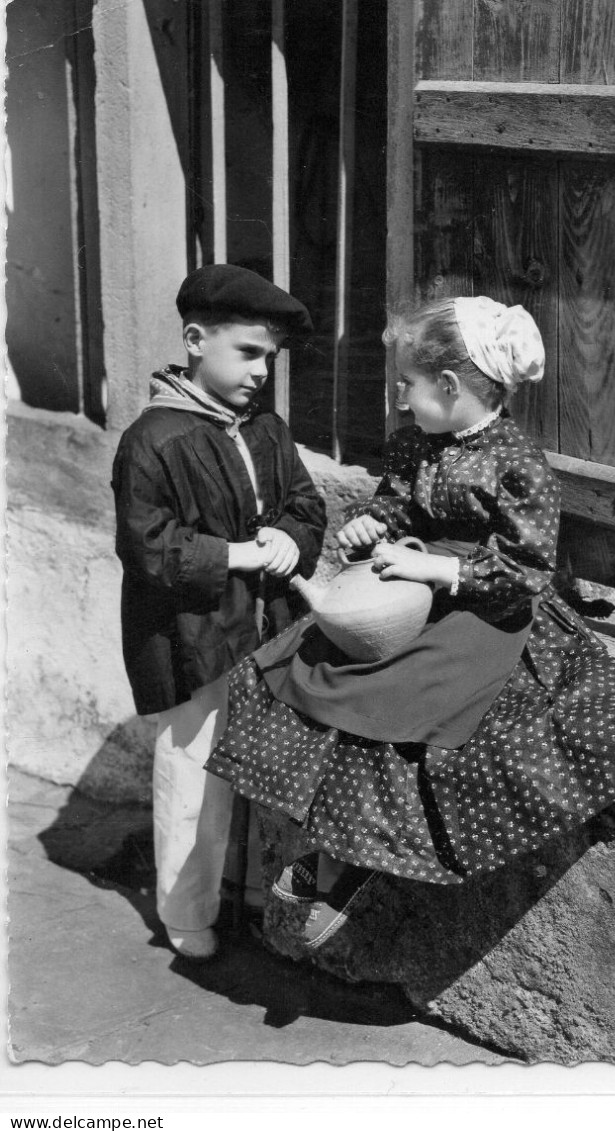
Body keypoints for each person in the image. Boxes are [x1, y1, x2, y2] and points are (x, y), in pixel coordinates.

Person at [205, 294, 615, 951]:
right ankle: (330, 846)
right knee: (303, 667)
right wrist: (376, 525)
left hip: (488, 607)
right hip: (410, 593)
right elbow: (398, 509)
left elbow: (528, 571)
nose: (400, 399)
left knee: (404, 706)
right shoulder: (413, 445)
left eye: (409, 385)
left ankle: (347, 867)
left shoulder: (518, 466)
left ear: (452, 387)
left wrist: (445, 574)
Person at [112, 264, 327, 960]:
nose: (262, 371)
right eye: (248, 352)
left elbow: (306, 502)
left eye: (270, 357)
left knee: (265, 762)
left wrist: (291, 537)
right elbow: (148, 549)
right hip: (189, 640)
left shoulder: (264, 428)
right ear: (196, 340)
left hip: (264, 632)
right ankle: (185, 908)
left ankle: (256, 894)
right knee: (194, 775)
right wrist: (237, 554)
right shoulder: (154, 440)